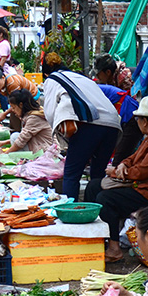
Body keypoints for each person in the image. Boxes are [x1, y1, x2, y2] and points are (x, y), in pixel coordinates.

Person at [85, 96, 148, 262]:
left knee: (105, 199)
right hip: (140, 187)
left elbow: (141, 172)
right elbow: (132, 159)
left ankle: (114, 248)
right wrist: (123, 165)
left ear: (145, 122)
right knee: (93, 186)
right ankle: (98, 240)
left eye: (139, 119)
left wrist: (116, 172)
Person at [43, 58, 121, 200]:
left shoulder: (52, 80)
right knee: (98, 173)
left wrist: (63, 139)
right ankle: (96, 211)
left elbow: (50, 113)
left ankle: (70, 211)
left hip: (89, 124)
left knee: (72, 173)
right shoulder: (83, 79)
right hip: (112, 124)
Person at [0, 89, 54, 154]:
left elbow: (21, 141)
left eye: (13, 107)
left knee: (14, 136)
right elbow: (25, 137)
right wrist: (4, 142)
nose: (13, 110)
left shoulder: (34, 118)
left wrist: (4, 154)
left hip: (47, 151)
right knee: (15, 137)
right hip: (42, 145)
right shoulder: (31, 115)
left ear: (20, 105)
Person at [0, 66, 39, 131]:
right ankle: (15, 135)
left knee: (29, 121)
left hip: (32, 97)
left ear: (3, 78)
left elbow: (16, 103)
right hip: (18, 101)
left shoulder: (12, 83)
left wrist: (5, 114)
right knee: (14, 121)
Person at [98, 83, 143, 164]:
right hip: (127, 118)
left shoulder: (87, 91)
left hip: (131, 119)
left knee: (119, 160)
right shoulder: (89, 88)